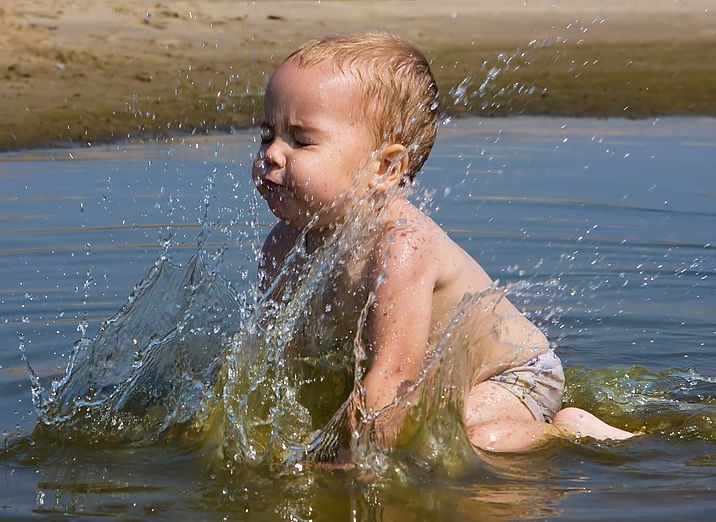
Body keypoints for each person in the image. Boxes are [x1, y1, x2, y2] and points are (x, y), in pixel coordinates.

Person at [252, 31, 635, 460]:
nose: (272, 154)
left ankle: (570, 431)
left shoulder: (402, 247)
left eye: (300, 141)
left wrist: (345, 466)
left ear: (384, 167)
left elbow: (393, 379)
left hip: (511, 376)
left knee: (458, 441)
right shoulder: (282, 246)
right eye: (268, 135)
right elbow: (276, 362)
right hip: (436, 377)